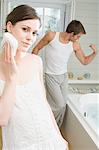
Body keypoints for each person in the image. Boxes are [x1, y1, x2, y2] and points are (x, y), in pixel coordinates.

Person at [0, 5, 68, 150]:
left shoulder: (36, 61)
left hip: (48, 138)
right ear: (9, 27)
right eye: (25, 29)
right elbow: (2, 119)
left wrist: (59, 136)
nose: (30, 38)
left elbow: (43, 102)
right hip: (20, 142)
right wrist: (12, 77)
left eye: (35, 32)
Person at [32, 20, 97, 128]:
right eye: (78, 36)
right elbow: (37, 48)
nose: (78, 39)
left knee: (63, 105)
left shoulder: (75, 44)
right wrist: (33, 67)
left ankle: (56, 129)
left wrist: (95, 53)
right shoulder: (51, 36)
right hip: (51, 76)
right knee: (59, 104)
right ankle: (47, 125)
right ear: (72, 34)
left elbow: (84, 61)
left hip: (64, 77)